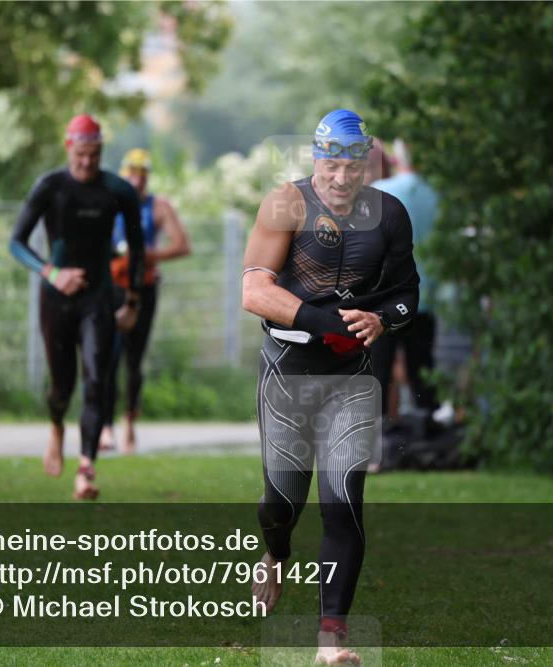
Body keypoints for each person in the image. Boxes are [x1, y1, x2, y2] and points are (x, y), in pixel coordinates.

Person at [241, 109, 419, 664]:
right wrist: (329, 324)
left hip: (351, 378)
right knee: (281, 503)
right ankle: (276, 553)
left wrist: (382, 319)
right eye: (331, 166)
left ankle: (331, 639)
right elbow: (254, 292)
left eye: (353, 167)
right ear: (315, 158)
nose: (341, 179)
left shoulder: (390, 214)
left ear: (368, 164)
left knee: (342, 501)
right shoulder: (285, 204)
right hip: (288, 371)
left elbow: (408, 293)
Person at [9, 114, 145, 500]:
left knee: (97, 378)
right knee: (62, 386)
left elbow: (137, 251)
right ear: (69, 148)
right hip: (56, 299)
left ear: (101, 151)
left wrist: (132, 301)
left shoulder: (118, 191)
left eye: (94, 155)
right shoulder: (50, 186)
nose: (87, 163)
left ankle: (86, 469)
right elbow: (16, 242)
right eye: (81, 155)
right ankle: (56, 428)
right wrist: (52, 273)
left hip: (98, 296)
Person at [100, 148, 191, 453]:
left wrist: (149, 256)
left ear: (147, 177)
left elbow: (182, 245)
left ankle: (129, 421)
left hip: (143, 286)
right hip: (112, 286)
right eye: (132, 174)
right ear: (123, 175)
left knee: (133, 358)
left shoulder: (158, 206)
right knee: (106, 356)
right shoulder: (110, 202)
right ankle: (106, 426)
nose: (137, 181)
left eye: (142, 175)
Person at [370, 139, 441, 425]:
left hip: (384, 299)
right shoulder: (438, 195)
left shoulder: (380, 193)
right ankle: (428, 427)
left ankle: (377, 435)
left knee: (378, 371)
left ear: (396, 159)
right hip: (424, 298)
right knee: (421, 369)